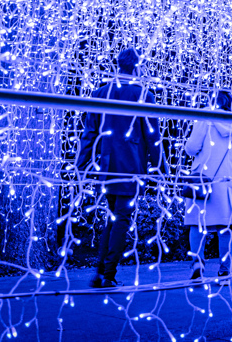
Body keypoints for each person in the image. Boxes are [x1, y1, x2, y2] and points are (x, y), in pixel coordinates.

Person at [76, 48, 161, 289]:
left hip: (106, 164)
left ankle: (101, 272)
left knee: (113, 218)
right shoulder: (143, 94)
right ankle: (107, 274)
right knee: (121, 218)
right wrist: (161, 167)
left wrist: (81, 164)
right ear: (136, 67)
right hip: (130, 165)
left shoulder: (102, 92)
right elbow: (152, 135)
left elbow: (90, 132)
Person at [184, 90, 232, 281]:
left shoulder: (205, 117)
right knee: (225, 226)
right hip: (228, 181)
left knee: (196, 223)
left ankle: (197, 262)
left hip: (204, 179)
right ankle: (224, 268)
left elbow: (191, 148)